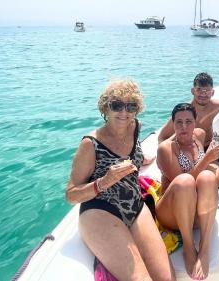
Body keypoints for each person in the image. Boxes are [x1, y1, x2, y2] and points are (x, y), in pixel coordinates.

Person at [65, 79, 175, 281]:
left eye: (130, 106)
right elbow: (71, 194)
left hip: (134, 205)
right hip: (100, 210)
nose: (124, 112)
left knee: (167, 278)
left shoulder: (134, 127)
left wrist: (142, 159)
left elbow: (135, 154)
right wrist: (104, 181)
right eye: (117, 105)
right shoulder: (91, 144)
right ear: (106, 107)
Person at [157, 103, 219, 280]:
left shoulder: (199, 136)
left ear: (196, 122)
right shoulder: (166, 148)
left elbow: (204, 174)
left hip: (197, 212)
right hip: (173, 212)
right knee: (186, 181)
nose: (184, 127)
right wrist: (208, 159)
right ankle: (189, 247)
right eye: (178, 122)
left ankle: (204, 247)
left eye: (189, 121)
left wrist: (213, 163)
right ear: (172, 124)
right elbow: (180, 183)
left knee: (208, 178)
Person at [158, 72, 219, 181]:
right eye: (199, 90)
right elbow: (161, 138)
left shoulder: (216, 105)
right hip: (198, 155)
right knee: (217, 180)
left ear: (212, 92)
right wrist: (171, 157)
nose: (203, 94)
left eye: (207, 91)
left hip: (215, 146)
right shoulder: (185, 113)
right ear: (193, 91)